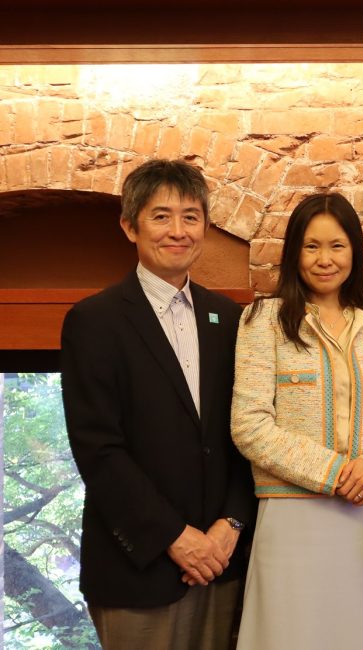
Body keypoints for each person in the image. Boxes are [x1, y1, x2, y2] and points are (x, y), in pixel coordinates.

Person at [61, 159, 255, 649]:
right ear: (130, 226)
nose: (178, 231)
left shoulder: (228, 318)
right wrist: (176, 537)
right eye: (161, 216)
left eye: (191, 217)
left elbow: (245, 432)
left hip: (221, 562)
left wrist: (230, 525)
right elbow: (98, 449)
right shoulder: (94, 320)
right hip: (138, 566)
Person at [230, 192, 363, 649]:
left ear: (355, 250)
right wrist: (334, 473)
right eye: (312, 246)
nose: (324, 259)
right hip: (293, 516)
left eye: (337, 245)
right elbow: (249, 423)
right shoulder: (263, 319)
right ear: (294, 251)